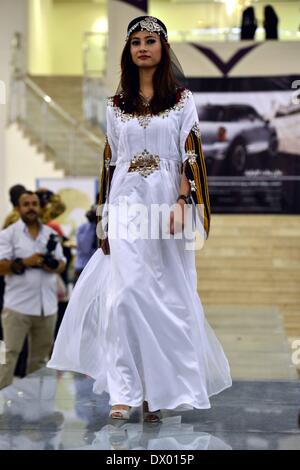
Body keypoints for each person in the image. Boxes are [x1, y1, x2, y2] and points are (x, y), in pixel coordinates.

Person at [47, 16, 232, 422]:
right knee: (125, 296)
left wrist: (185, 201)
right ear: (127, 51)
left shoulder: (182, 100)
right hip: (127, 203)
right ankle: (125, 391)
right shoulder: (115, 106)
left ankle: (158, 392)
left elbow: (192, 155)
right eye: (135, 42)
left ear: (163, 48)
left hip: (167, 205)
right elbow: (110, 164)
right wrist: (103, 219)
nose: (142, 47)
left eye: (150, 40)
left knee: (167, 299)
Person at [0, 191, 66, 389]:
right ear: (19, 208)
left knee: (39, 360)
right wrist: (25, 262)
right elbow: (1, 266)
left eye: (34, 204)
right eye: (26, 204)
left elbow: (62, 263)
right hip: (17, 307)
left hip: (47, 307)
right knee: (9, 355)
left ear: (40, 207)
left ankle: (35, 409)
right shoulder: (8, 235)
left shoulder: (50, 234)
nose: (31, 207)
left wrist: (52, 266)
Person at [73, 204, 98, 284]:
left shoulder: (105, 228)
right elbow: (85, 248)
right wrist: (92, 225)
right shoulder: (82, 228)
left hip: (97, 269)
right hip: (82, 269)